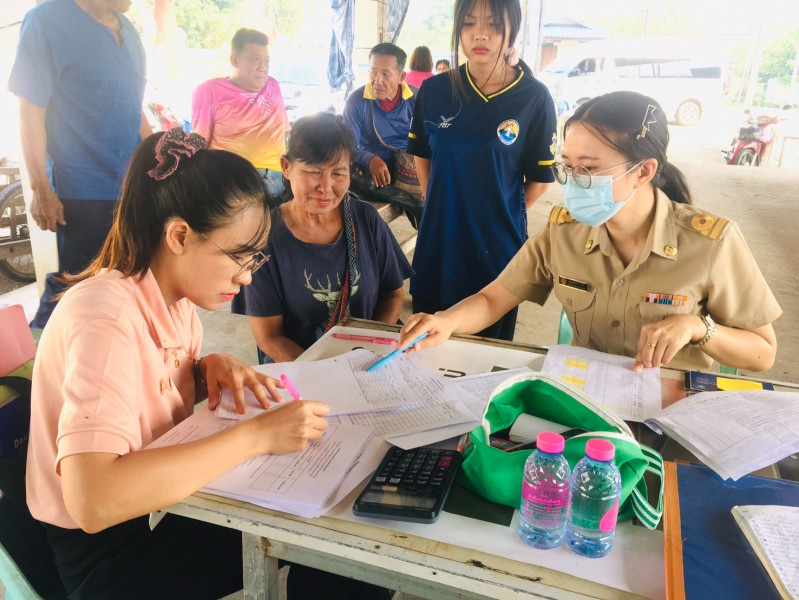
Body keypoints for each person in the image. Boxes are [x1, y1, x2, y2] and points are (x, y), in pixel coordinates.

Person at [23, 127, 334, 599]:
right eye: (239, 257)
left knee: (316, 529)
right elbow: (92, 499)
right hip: (104, 558)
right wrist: (256, 435)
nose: (247, 278)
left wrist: (202, 370)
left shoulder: (174, 302)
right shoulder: (104, 319)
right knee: (315, 541)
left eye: (255, 259)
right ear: (180, 235)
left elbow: (136, 387)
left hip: (146, 515)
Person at [399, 91, 781, 373]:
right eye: (567, 166)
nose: (573, 181)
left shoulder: (711, 243)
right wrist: (446, 322)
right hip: (586, 399)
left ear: (643, 171)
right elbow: (493, 299)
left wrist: (699, 328)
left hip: (670, 410)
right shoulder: (564, 232)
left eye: (589, 169)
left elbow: (763, 353)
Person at [406, 0, 558, 342]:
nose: (480, 34)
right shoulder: (435, 90)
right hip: (439, 241)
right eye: (469, 23)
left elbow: (539, 181)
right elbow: (422, 154)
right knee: (426, 342)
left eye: (493, 24)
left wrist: (498, 215)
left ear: (511, 30)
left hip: (497, 247)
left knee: (487, 350)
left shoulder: (534, 98)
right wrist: (438, 202)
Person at [8, 0, 149, 329]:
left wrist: (162, 156)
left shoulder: (128, 29)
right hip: (82, 191)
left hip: (133, 188)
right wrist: (41, 188)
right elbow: (31, 114)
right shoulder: (46, 22)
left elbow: (134, 109)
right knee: (77, 292)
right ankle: (35, 355)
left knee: (127, 287)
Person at [232, 112, 413, 363]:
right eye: (314, 172)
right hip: (299, 370)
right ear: (286, 167)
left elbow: (392, 294)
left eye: (338, 173)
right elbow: (269, 337)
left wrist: (368, 352)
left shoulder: (366, 219)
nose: (326, 188)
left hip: (365, 365)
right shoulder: (264, 236)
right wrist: (323, 374)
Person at [191, 28, 290, 203]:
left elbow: (285, 133)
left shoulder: (273, 86)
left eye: (266, 61)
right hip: (234, 180)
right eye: (256, 60)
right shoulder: (209, 91)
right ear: (234, 60)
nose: (263, 67)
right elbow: (198, 144)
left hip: (278, 178)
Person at [342, 42, 416, 189]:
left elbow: (431, 138)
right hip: (370, 174)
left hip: (408, 171)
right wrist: (370, 159)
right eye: (373, 71)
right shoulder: (356, 101)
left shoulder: (417, 99)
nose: (377, 80)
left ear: (401, 77)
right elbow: (348, 144)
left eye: (385, 74)